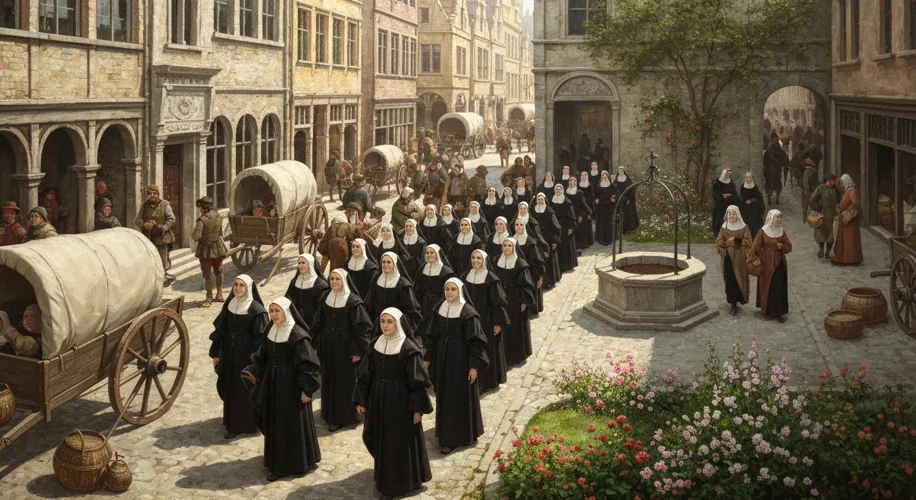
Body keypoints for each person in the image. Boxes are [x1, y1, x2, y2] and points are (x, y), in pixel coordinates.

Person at [354, 308, 433, 500]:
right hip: (379, 399)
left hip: (400, 401)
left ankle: (397, 485)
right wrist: (361, 398)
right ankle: (386, 477)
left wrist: (417, 409)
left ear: (397, 323)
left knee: (398, 442)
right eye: (383, 322)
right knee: (378, 438)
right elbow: (365, 374)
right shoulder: (375, 345)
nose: (385, 325)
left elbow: (417, 382)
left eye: (390, 322)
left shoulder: (408, 349)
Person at [242, 297, 321, 481]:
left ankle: (297, 463)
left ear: (286, 312)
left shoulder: (298, 335)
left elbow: (309, 365)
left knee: (292, 423)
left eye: (277, 311)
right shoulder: (270, 330)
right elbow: (263, 356)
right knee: (277, 422)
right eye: (272, 311)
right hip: (274, 384)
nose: (274, 315)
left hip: (292, 385)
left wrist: (307, 390)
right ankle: (278, 462)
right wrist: (253, 370)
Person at [420, 278, 488, 454]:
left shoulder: (468, 313)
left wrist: (474, 366)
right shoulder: (439, 309)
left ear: (460, 291)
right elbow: (432, 336)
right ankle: (446, 435)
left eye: (453, 289)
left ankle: (463, 435)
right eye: (447, 289)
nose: (449, 292)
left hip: (461, 358)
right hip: (443, 357)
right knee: (445, 394)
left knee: (460, 395)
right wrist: (427, 358)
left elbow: (476, 342)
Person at [312, 269, 372, 432]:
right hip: (328, 345)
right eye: (331, 279)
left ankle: (346, 416)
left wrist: (358, 350)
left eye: (337, 279)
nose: (334, 282)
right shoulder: (325, 297)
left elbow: (362, 327)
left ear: (344, 281)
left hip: (346, 346)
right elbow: (319, 321)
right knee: (330, 378)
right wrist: (316, 342)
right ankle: (330, 413)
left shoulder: (353, 302)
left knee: (345, 381)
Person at [209, 274, 268, 439]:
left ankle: (250, 424)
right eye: (235, 285)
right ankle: (232, 423)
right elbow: (220, 331)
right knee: (231, 387)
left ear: (248, 288)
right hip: (229, 353)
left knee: (245, 389)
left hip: (247, 355)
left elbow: (261, 339)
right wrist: (216, 353)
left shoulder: (257, 310)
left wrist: (255, 362)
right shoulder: (230, 305)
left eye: (242, 285)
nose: (238, 288)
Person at [461, 249, 509, 393]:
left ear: (484, 261)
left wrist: (498, 323)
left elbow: (499, 302)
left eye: (479, 259)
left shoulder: (491, 279)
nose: (475, 261)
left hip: (487, 318)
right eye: (473, 258)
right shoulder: (465, 276)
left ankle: (488, 381)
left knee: (488, 348)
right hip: (470, 318)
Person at [492, 239, 536, 366]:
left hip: (515, 298)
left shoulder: (521, 264)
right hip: (502, 298)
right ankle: (504, 354)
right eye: (504, 245)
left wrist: (524, 301)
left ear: (514, 247)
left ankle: (517, 355)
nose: (506, 248)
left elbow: (526, 285)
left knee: (516, 326)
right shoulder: (496, 261)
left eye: (509, 246)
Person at [749, 210, 792, 323]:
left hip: (780, 263)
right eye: (776, 217)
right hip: (766, 263)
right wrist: (754, 260)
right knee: (767, 286)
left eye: (780, 217)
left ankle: (778, 312)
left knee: (779, 287)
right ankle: (767, 310)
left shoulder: (782, 232)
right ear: (771, 218)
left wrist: (782, 246)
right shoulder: (763, 232)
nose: (779, 219)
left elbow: (789, 247)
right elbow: (754, 248)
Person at [364, 252, 423, 330]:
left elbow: (411, 310)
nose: (385, 265)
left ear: (394, 264)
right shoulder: (376, 279)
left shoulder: (403, 284)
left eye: (389, 262)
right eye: (383, 262)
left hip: (396, 326)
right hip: (378, 325)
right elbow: (369, 303)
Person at [135, 184, 176, 285]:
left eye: (154, 193)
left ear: (158, 194)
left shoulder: (165, 205)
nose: (152, 195)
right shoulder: (144, 206)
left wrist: (164, 227)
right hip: (149, 237)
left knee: (162, 259)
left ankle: (163, 277)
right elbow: (137, 220)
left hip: (162, 237)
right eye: (150, 194)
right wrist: (144, 224)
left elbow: (171, 219)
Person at [715, 207, 752, 316]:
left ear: (738, 215)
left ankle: (739, 300)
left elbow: (749, 242)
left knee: (739, 279)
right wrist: (724, 249)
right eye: (729, 214)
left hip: (740, 259)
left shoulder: (744, 227)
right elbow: (719, 242)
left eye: (734, 214)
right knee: (730, 281)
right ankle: (733, 304)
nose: (731, 216)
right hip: (728, 259)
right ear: (727, 215)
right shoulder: (724, 227)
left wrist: (739, 241)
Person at [192, 196, 228, 307]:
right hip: (218, 248)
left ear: (204, 207)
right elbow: (220, 232)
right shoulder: (218, 215)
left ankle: (209, 298)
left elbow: (196, 237)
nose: (199, 210)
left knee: (207, 274)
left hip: (205, 251)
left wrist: (193, 234)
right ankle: (220, 294)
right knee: (219, 271)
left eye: (200, 207)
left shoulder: (202, 220)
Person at [285, 253, 329, 331]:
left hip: (313, 321)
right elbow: (288, 299)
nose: (300, 266)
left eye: (303, 263)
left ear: (310, 264)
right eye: (299, 263)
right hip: (296, 320)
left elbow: (322, 309)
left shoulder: (320, 284)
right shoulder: (295, 281)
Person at [512, 218, 547, 314]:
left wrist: (539, 276)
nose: (518, 227)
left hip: (532, 272)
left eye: (521, 225)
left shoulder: (531, 241)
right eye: (517, 225)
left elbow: (537, 259)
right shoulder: (510, 242)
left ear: (524, 227)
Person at [532, 193, 563, 289]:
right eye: (538, 199)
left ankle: (550, 281)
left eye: (542, 199)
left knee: (550, 259)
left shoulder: (549, 211)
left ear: (545, 200)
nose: (540, 201)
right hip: (537, 238)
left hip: (548, 237)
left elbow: (556, 227)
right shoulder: (532, 212)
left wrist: (555, 241)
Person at [808, 174, 842, 259]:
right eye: (828, 181)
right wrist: (817, 208)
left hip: (832, 216)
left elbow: (840, 201)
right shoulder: (820, 188)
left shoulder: (836, 190)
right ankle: (821, 250)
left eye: (832, 181)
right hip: (821, 215)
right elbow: (812, 199)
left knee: (830, 235)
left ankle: (827, 252)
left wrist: (839, 207)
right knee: (820, 233)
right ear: (825, 182)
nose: (830, 183)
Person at [832, 174, 863, 266]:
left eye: (842, 182)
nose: (841, 184)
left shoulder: (852, 192)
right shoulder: (847, 191)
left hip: (850, 220)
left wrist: (847, 215)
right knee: (844, 239)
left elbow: (855, 205)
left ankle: (850, 259)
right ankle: (842, 258)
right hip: (843, 218)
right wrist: (839, 207)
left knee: (850, 239)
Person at [550, 185, 578, 272]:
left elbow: (572, 216)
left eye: (560, 189)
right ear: (554, 190)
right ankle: (558, 266)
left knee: (565, 246)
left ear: (562, 190)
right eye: (556, 189)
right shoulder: (551, 202)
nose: (558, 190)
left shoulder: (567, 202)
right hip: (555, 226)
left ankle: (566, 265)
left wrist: (571, 228)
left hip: (565, 226)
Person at [567, 178, 593, 253]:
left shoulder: (579, 192)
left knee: (578, 230)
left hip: (578, 213)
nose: (572, 183)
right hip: (570, 214)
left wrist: (587, 213)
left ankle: (579, 247)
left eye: (574, 181)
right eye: (571, 181)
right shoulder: (567, 192)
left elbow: (583, 204)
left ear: (576, 183)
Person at [738, 173, 765, 239]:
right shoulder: (742, 186)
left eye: (750, 177)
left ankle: (754, 239)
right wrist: (744, 201)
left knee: (755, 225)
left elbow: (759, 197)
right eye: (747, 177)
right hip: (745, 209)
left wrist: (752, 200)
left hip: (754, 209)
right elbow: (741, 197)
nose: (748, 179)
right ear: (745, 178)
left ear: (752, 178)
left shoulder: (755, 187)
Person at [711, 169, 738, 234]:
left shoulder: (731, 182)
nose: (728, 175)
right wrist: (723, 195)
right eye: (727, 174)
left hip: (729, 203)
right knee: (719, 219)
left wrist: (731, 196)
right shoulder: (718, 182)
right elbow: (714, 192)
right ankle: (718, 234)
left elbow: (734, 192)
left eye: (729, 174)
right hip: (720, 204)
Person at [594, 172, 618, 246]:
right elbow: (596, 195)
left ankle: (609, 239)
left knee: (608, 223)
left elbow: (616, 194)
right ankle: (601, 239)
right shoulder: (598, 186)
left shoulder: (612, 186)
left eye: (606, 176)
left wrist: (613, 198)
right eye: (603, 176)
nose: (604, 177)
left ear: (608, 177)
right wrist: (596, 199)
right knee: (601, 222)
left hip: (609, 206)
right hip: (601, 206)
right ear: (601, 177)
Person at [614, 167, 639, 233]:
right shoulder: (616, 181)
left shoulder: (628, 180)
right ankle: (620, 229)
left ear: (624, 171)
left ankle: (628, 228)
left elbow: (631, 190)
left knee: (627, 214)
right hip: (619, 200)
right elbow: (614, 190)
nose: (621, 172)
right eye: (619, 170)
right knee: (619, 214)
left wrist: (629, 199)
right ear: (618, 172)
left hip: (626, 200)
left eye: (622, 171)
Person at [800, 159, 819, 223]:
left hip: (808, 190)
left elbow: (805, 183)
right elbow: (817, 182)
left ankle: (804, 218)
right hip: (814, 190)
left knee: (805, 205)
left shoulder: (806, 172)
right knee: (814, 204)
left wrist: (806, 193)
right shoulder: (815, 171)